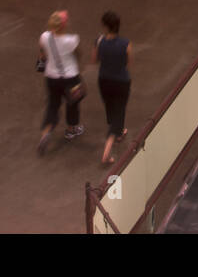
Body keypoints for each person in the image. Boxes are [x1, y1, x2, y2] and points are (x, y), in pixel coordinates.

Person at [37, 10, 84, 153]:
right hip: (71, 79)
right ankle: (71, 129)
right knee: (73, 103)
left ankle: (46, 132)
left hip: (51, 78)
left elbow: (42, 54)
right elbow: (78, 54)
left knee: (53, 105)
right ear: (64, 25)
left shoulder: (44, 36)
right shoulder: (71, 40)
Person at [93, 11, 132, 166]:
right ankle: (107, 150)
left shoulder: (99, 41)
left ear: (104, 26)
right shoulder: (126, 44)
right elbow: (128, 63)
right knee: (119, 109)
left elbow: (94, 59)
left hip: (104, 80)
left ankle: (119, 131)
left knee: (110, 105)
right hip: (121, 81)